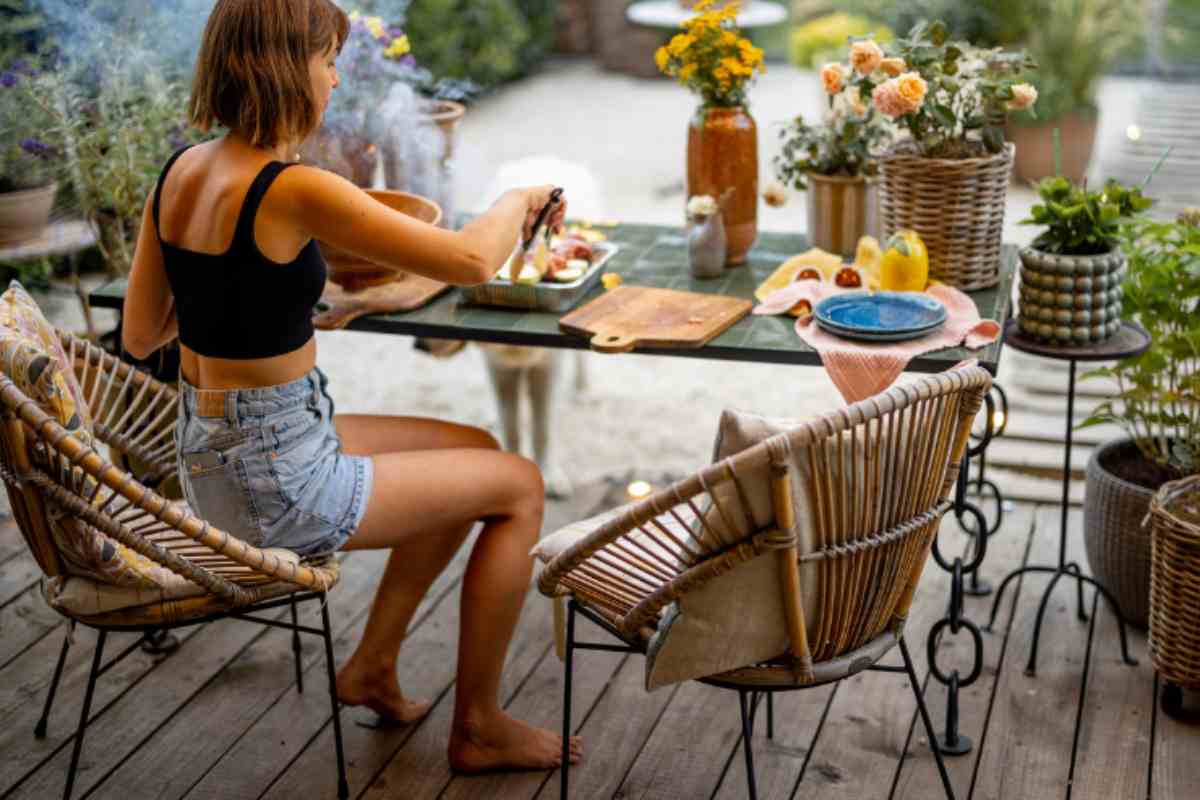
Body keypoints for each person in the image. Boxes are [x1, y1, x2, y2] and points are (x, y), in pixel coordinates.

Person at [120, 0, 579, 774]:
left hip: (215, 455)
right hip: (278, 479)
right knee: (520, 486)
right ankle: (481, 726)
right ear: (285, 67)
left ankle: (372, 665)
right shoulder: (291, 186)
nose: (335, 76)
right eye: (328, 58)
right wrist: (521, 197)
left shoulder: (182, 171)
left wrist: (275, 311)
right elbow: (469, 261)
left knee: (470, 452)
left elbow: (142, 334)